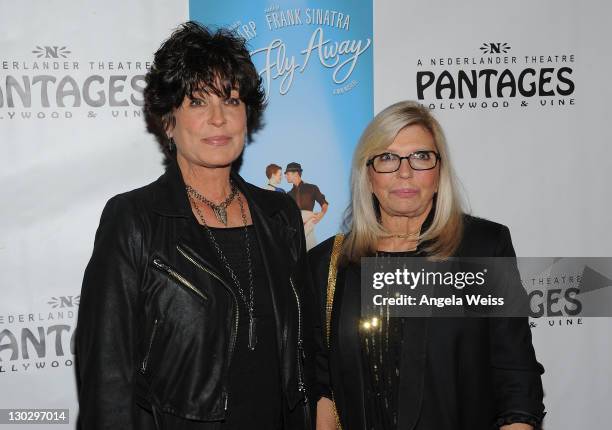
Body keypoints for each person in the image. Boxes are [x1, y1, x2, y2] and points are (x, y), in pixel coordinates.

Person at [76, 22, 317, 430]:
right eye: (197, 102)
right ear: (169, 120)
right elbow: (107, 377)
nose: (219, 119)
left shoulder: (280, 216)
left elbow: (304, 356)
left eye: (232, 100)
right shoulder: (134, 220)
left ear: (248, 115)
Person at [309, 101, 545, 430]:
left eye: (421, 157)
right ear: (369, 175)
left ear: (439, 173)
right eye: (388, 157)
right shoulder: (329, 265)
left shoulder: (483, 248)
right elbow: (325, 390)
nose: (405, 172)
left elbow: (516, 379)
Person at [285, 162, 329, 250]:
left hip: (309, 223)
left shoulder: (312, 188)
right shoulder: (288, 194)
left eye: (287, 173)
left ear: (296, 173)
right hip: (297, 225)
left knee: (309, 247)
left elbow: (323, 203)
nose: (285, 176)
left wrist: (321, 214)